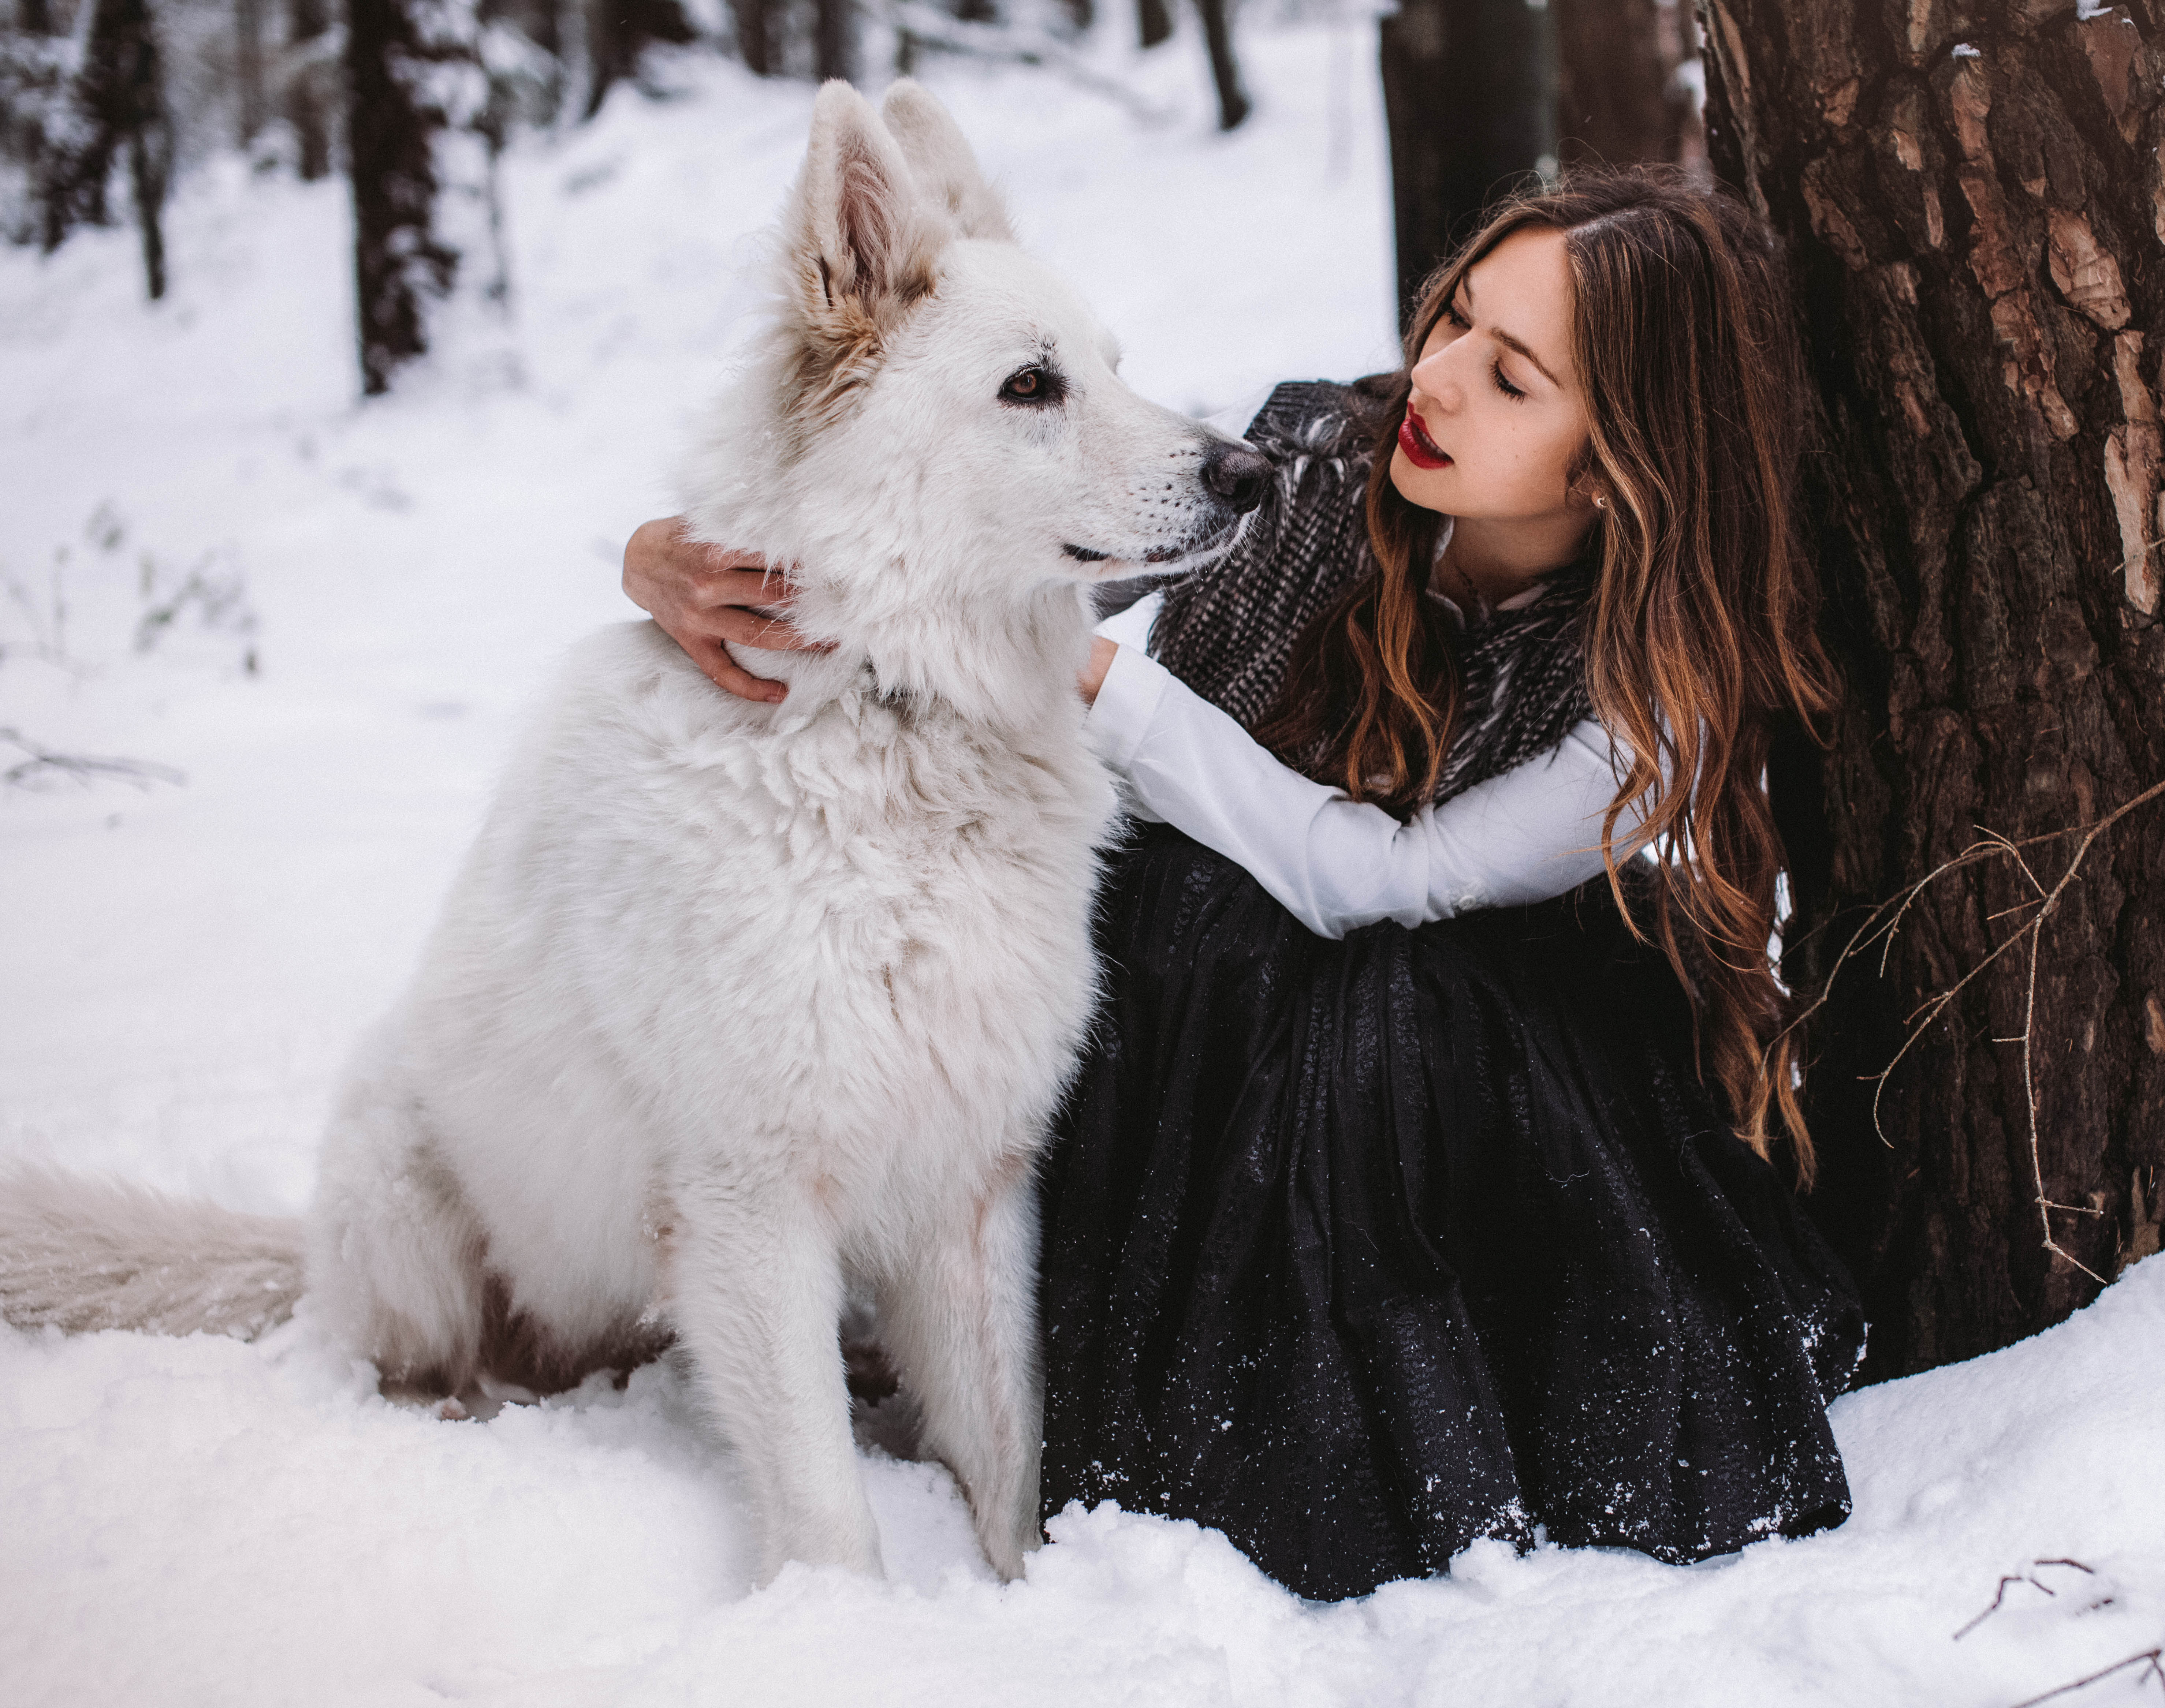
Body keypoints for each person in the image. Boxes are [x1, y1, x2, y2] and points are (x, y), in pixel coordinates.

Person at [621, 165, 1865, 1602]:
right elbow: (970, 529)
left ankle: (1350, 1453)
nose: (1437, 381)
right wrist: (675, 558)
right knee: (1137, 919)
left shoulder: (1653, 699)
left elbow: (1400, 883)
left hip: (1440, 1056)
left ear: (1611, 465)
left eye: (1509, 376)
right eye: (1455, 318)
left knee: (1389, 1008)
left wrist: (1104, 689)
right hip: (1184, 977)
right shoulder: (1315, 457)